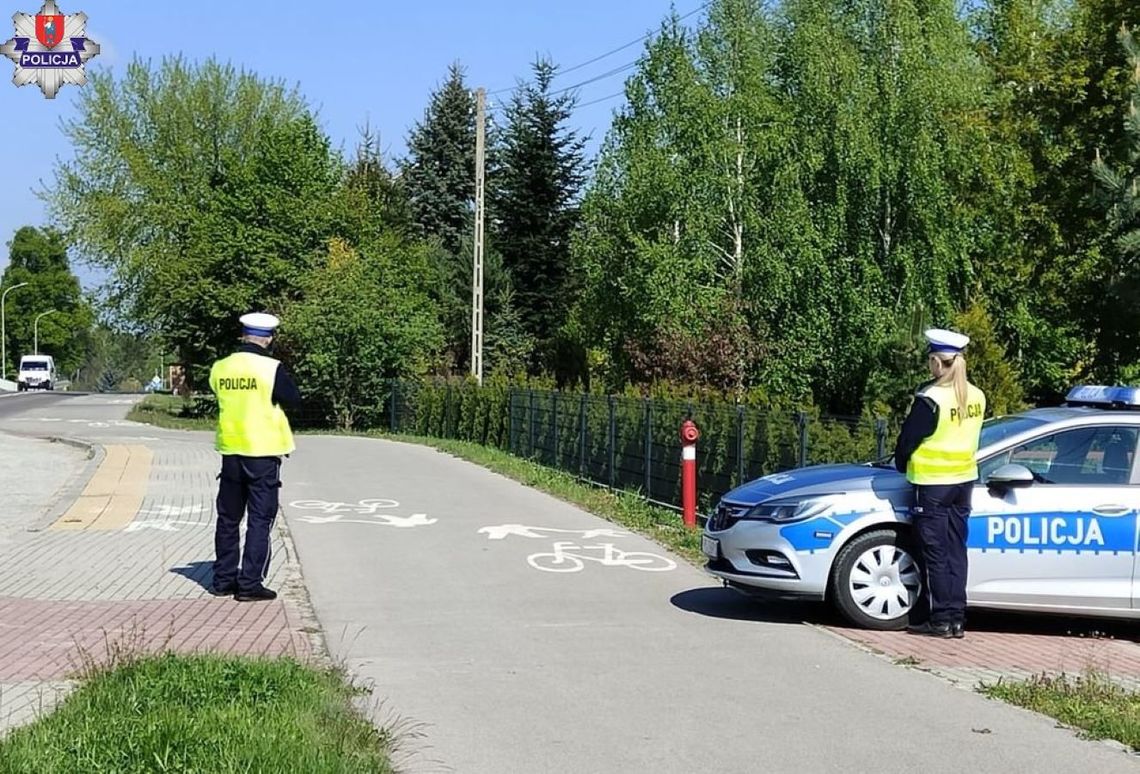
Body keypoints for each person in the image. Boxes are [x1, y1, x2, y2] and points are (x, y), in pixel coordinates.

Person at [893, 328, 986, 638]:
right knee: (956, 550)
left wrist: (901, 462)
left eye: (931, 360)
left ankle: (940, 619)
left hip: (932, 484)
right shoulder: (976, 395)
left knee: (935, 552)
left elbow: (908, 440)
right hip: (964, 482)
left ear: (936, 362)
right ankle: (957, 618)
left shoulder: (931, 398)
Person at [207, 312, 301, 601]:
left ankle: (223, 580)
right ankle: (249, 584)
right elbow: (293, 399)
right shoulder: (271, 368)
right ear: (268, 338)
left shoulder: (221, 367)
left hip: (231, 453)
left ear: (243, 335)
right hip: (262, 453)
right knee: (260, 519)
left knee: (228, 518)